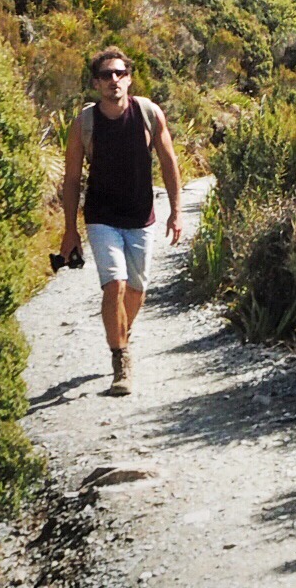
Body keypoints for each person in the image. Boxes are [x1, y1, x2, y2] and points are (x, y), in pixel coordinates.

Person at [60, 46, 183, 396]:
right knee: (114, 284)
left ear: (129, 78)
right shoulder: (84, 124)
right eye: (106, 75)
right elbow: (72, 179)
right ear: (96, 83)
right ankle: (121, 359)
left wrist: (176, 211)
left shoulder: (148, 114)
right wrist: (70, 230)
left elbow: (169, 162)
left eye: (120, 73)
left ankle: (121, 335)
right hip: (101, 217)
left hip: (141, 217)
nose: (113, 79)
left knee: (136, 290)